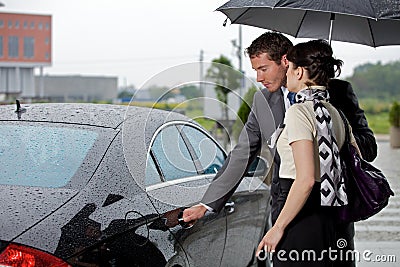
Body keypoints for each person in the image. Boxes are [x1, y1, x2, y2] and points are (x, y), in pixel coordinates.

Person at [183, 32, 376, 265]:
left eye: (263, 69)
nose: (258, 77)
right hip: (287, 207)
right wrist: (207, 204)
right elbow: (242, 153)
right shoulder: (262, 101)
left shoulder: (337, 95)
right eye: (255, 70)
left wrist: (329, 134)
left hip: (332, 210)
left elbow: (369, 147)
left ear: (286, 61)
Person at [256, 39, 361, 266]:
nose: (288, 74)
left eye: (291, 68)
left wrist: (277, 228)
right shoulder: (336, 112)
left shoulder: (298, 112)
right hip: (332, 215)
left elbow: (305, 180)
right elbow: (355, 160)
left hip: (299, 213)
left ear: (300, 71)